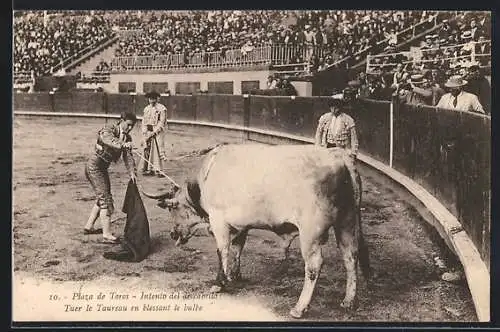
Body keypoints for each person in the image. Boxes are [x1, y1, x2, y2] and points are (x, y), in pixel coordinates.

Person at [84, 112, 138, 244]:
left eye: (132, 126)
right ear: (121, 121)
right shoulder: (110, 128)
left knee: (103, 196)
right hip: (94, 167)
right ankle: (106, 235)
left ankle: (89, 226)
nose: (130, 128)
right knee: (105, 199)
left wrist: (132, 172)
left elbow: (128, 157)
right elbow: (106, 139)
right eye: (128, 125)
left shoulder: (127, 138)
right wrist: (121, 144)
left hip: (102, 168)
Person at [314, 88, 359, 160]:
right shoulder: (325, 118)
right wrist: (318, 148)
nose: (333, 110)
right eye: (332, 107)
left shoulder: (348, 119)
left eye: (336, 107)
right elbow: (318, 134)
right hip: (327, 148)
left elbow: (354, 139)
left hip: (342, 150)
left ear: (340, 107)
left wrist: (353, 153)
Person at [141, 91, 168, 176]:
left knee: (158, 149)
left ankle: (159, 170)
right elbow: (144, 121)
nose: (152, 101)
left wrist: (154, 132)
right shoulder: (146, 109)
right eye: (150, 99)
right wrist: (145, 131)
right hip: (148, 131)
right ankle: (150, 169)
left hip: (157, 132)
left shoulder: (162, 108)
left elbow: (162, 122)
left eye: (153, 99)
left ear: (157, 99)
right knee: (148, 149)